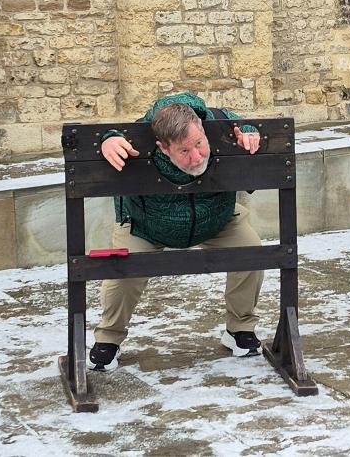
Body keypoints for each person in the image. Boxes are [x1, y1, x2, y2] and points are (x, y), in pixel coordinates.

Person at [87, 92, 266, 371]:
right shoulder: (139, 137)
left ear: (203, 130)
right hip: (148, 224)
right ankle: (109, 337)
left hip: (216, 219)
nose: (196, 157)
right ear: (162, 147)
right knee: (123, 270)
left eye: (199, 144)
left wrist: (249, 132)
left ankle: (239, 328)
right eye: (184, 151)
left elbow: (245, 126)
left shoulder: (217, 121)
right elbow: (107, 135)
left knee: (252, 252)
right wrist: (106, 139)